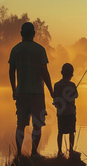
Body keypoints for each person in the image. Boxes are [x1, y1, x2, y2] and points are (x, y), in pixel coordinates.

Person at [8, 22, 54, 157]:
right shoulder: (40, 50)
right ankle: (34, 153)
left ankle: (19, 153)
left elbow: (11, 71)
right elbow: (44, 72)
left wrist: (13, 89)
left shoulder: (15, 49)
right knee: (37, 126)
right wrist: (51, 90)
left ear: (21, 34)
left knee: (20, 125)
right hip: (37, 94)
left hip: (21, 93)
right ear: (34, 34)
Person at [53, 63, 79, 156]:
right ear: (72, 74)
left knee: (60, 132)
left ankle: (59, 151)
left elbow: (55, 97)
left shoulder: (56, 85)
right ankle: (71, 150)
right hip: (71, 112)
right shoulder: (72, 85)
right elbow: (76, 95)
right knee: (71, 132)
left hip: (61, 113)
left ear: (61, 73)